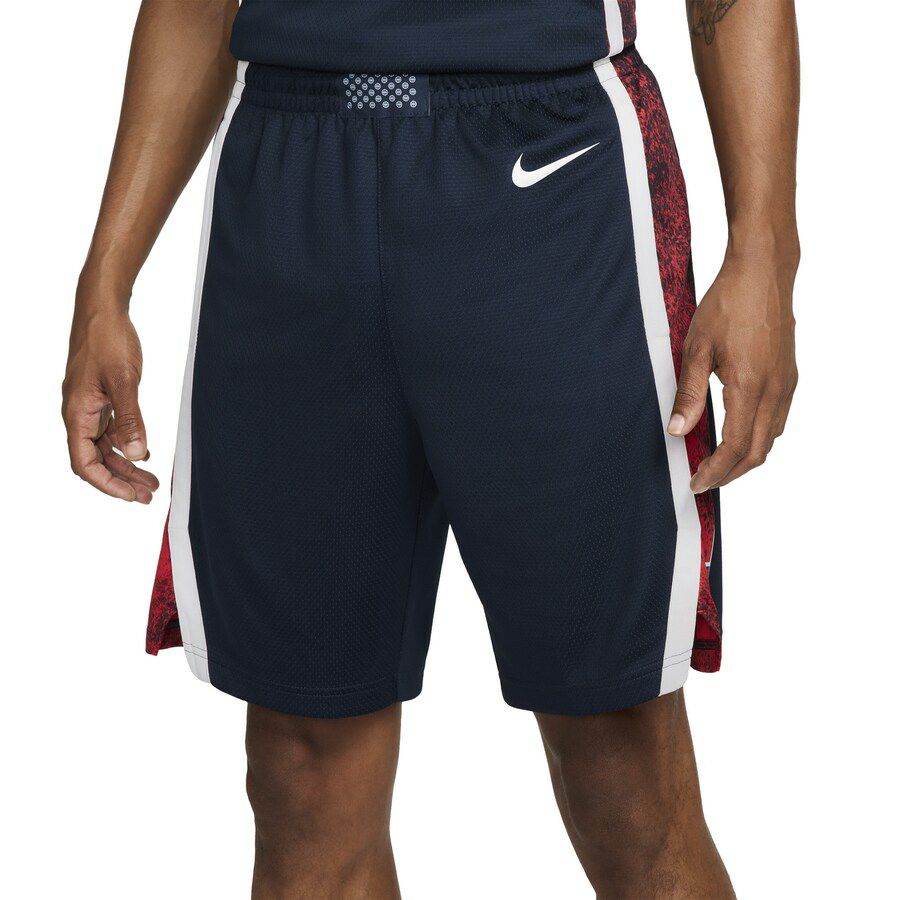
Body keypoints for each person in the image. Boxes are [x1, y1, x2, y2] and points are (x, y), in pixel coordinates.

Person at [62, 1, 799, 896]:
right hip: (292, 177)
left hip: (552, 169)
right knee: (303, 765)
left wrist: (765, 254)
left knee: (619, 751)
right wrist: (105, 282)